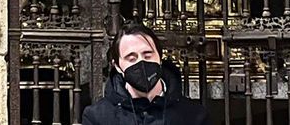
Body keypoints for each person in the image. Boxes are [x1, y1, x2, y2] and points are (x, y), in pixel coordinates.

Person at [81, 23, 211, 125]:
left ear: (160, 58)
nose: (141, 63)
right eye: (131, 59)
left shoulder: (194, 116)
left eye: (147, 55)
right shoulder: (97, 117)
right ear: (117, 66)